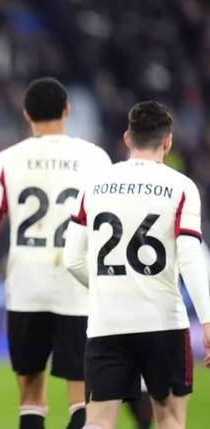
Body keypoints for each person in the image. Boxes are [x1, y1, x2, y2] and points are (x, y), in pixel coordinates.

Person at [0, 77, 111, 429]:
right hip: (78, 286)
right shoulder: (95, 159)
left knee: (30, 397)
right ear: (67, 111)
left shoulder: (6, 161)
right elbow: (108, 228)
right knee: (82, 398)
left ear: (26, 115)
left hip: (26, 287)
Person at [63, 100, 210, 429]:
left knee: (98, 421)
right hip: (163, 323)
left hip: (108, 323)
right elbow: (190, 256)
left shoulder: (94, 185)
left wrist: (108, 287)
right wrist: (208, 319)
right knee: (170, 418)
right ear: (167, 142)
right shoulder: (181, 187)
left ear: (128, 138)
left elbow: (72, 259)